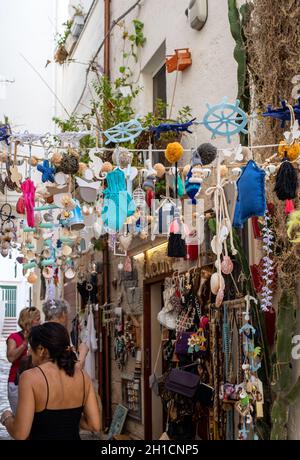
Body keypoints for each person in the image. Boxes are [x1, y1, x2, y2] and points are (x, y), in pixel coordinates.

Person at [0, 322, 101, 440]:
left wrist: (7, 418)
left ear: (41, 349)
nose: (29, 353)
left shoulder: (30, 378)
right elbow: (94, 425)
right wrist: (67, 419)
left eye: (30, 348)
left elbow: (20, 433)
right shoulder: (83, 377)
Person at [6, 307, 41, 414]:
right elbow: (11, 357)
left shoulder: (40, 337)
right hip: (17, 383)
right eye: (37, 319)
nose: (40, 322)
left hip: (37, 382)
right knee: (20, 417)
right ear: (29, 321)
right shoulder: (14, 337)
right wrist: (25, 343)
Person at [42, 299, 89, 369]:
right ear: (63, 314)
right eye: (67, 315)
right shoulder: (58, 334)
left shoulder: (43, 331)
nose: (67, 319)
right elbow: (72, 369)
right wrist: (83, 353)